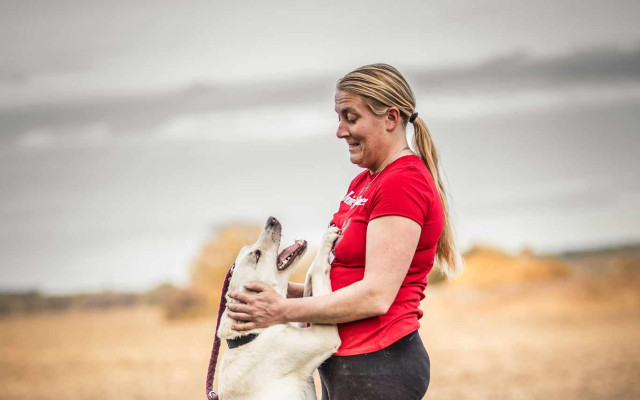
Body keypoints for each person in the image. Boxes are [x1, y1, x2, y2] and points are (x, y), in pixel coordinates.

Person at [227, 63, 463, 400]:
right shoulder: (367, 180)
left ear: (391, 118)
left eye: (350, 118)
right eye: (339, 118)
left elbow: (375, 295)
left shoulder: (402, 183)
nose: (340, 131)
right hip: (349, 367)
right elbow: (343, 279)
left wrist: (280, 312)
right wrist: (272, 293)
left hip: (380, 366)